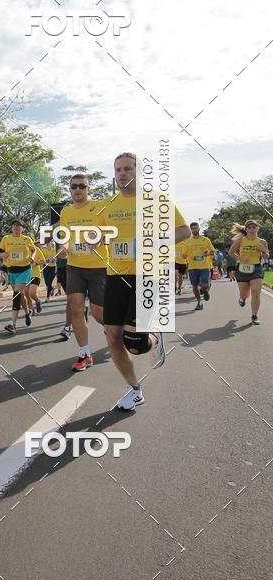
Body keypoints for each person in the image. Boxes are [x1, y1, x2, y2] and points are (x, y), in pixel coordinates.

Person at [102, 152, 189, 411]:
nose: (122, 174)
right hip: (115, 276)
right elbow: (98, 235)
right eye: (118, 169)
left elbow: (183, 231)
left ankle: (152, 335)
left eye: (127, 169)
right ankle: (134, 389)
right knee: (113, 339)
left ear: (138, 172)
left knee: (136, 345)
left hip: (149, 276)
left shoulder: (156, 200)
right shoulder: (107, 205)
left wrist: (153, 242)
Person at [59, 174, 108, 372]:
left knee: (98, 313)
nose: (77, 189)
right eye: (74, 187)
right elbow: (64, 236)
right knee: (76, 307)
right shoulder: (66, 212)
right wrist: (63, 247)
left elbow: (111, 231)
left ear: (88, 189)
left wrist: (101, 239)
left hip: (98, 267)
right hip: (75, 267)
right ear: (70, 190)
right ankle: (85, 353)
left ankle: (113, 328)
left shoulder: (100, 206)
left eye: (81, 186)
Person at [0, 220, 36, 334]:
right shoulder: (6, 239)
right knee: (20, 296)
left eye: (18, 225)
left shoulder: (26, 239)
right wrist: (2, 254)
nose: (16, 227)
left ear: (22, 228)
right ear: (11, 227)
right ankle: (27, 313)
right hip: (12, 270)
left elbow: (33, 250)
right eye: (14, 225)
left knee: (16, 296)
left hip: (24, 270)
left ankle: (13, 325)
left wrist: (32, 257)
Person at [229, 220, 269, 324]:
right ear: (246, 229)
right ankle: (242, 298)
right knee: (245, 294)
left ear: (257, 229)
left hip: (256, 269)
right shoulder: (240, 240)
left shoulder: (262, 241)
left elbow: (266, 256)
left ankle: (254, 316)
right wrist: (240, 258)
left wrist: (263, 250)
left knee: (256, 292)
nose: (252, 229)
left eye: (254, 227)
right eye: (249, 227)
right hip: (242, 269)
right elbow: (231, 252)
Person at [184, 223, 215, 311]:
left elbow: (213, 252)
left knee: (205, 284)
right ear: (191, 230)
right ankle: (199, 302)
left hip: (204, 266)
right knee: (194, 286)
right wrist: (183, 255)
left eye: (195, 228)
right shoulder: (187, 242)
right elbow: (183, 255)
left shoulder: (205, 240)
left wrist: (208, 254)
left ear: (199, 228)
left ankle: (205, 291)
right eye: (192, 228)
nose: (194, 230)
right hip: (192, 267)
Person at [27, 242, 45, 315]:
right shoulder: (23, 250)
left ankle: (37, 301)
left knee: (32, 293)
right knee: (26, 294)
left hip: (35, 274)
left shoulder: (36, 249)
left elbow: (43, 260)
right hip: (25, 275)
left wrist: (36, 263)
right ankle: (31, 310)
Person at [40, 229, 57, 301]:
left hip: (53, 267)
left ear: (51, 242)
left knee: (49, 281)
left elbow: (55, 258)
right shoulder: (43, 250)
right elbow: (42, 259)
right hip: (45, 267)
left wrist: (52, 259)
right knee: (47, 283)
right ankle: (52, 288)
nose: (47, 243)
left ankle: (47, 297)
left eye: (49, 241)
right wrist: (45, 260)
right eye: (46, 241)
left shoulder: (54, 250)